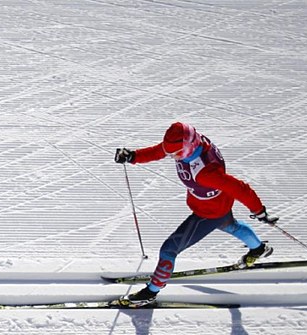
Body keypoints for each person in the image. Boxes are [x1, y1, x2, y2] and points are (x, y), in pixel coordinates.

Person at [113, 122, 279, 305]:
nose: (171, 157)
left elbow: (239, 188)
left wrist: (259, 211)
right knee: (230, 225)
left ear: (188, 147)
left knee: (169, 249)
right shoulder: (193, 142)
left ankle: (150, 292)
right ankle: (258, 249)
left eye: (175, 154)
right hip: (219, 204)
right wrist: (133, 156)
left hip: (207, 213)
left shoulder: (205, 173)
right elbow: (161, 151)